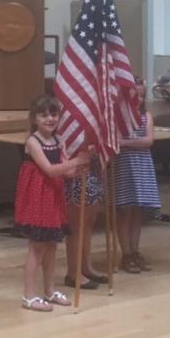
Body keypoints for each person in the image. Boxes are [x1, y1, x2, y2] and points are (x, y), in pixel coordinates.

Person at [13, 95, 89, 311]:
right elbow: (49, 169)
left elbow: (67, 172)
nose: (50, 118)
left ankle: (49, 290)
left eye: (53, 114)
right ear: (34, 119)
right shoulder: (32, 142)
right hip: (38, 198)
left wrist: (81, 167)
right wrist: (74, 161)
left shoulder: (59, 141)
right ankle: (28, 295)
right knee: (37, 248)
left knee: (53, 246)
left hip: (54, 197)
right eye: (43, 115)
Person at [114, 78, 160, 273]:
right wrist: (130, 142)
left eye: (142, 95)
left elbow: (149, 140)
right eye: (135, 95)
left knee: (137, 211)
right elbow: (115, 141)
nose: (138, 99)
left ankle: (135, 250)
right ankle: (125, 253)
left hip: (142, 166)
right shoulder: (118, 118)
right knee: (124, 210)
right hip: (123, 166)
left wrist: (126, 142)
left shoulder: (145, 116)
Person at [63, 158, 106, 291]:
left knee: (89, 220)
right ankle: (73, 272)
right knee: (75, 223)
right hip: (74, 168)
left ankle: (86, 267)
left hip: (92, 168)